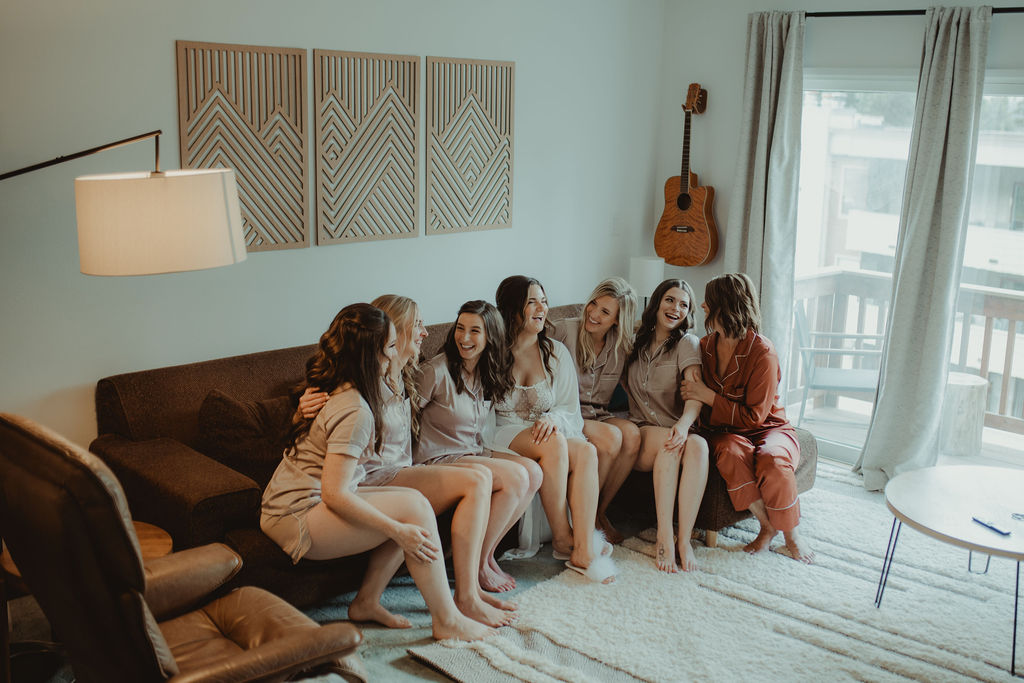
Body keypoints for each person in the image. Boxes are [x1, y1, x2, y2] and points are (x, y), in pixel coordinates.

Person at [260, 303, 494, 641]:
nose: (393, 355)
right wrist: (399, 531)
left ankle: (368, 602)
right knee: (412, 511)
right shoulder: (355, 408)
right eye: (389, 348)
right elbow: (334, 495)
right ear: (372, 355)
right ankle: (447, 620)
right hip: (296, 515)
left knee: (413, 501)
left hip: (314, 498)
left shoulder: (353, 388)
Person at [680, 273, 814, 563]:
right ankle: (767, 528)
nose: (702, 305)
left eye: (710, 301)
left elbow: (755, 416)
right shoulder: (704, 347)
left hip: (768, 427)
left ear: (726, 306)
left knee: (773, 460)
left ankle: (792, 536)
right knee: (728, 452)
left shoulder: (762, 352)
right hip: (726, 430)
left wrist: (709, 396)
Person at [492, 275, 615, 583]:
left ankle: (583, 547)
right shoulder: (493, 351)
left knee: (586, 450)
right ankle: (563, 537)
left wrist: (552, 419)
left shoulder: (556, 352)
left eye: (544, 301)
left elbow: (567, 406)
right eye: (532, 301)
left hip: (541, 431)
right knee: (553, 444)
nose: (541, 308)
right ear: (512, 309)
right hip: (501, 431)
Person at [414, 300, 543, 593]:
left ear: (490, 338)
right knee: (516, 476)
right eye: (460, 329)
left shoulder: (487, 371)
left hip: (470, 453)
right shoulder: (435, 371)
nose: (465, 338)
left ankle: (485, 556)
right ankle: (476, 567)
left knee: (533, 472)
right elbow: (401, 416)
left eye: (475, 331)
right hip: (437, 458)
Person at [623, 278, 709, 573]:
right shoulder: (634, 338)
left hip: (676, 428)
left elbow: (695, 393)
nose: (676, 309)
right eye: (670, 300)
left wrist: (684, 425)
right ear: (657, 302)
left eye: (684, 304)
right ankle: (664, 535)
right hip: (642, 429)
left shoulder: (687, 343)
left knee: (697, 445)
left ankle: (683, 540)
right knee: (669, 444)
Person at [550, 277, 641, 544]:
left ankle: (599, 511)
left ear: (617, 320)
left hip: (598, 413)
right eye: (593, 304)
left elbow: (634, 382)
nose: (593, 314)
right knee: (611, 437)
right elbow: (532, 352)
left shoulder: (621, 345)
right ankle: (586, 520)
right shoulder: (565, 330)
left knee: (633, 435)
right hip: (569, 412)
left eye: (605, 312)